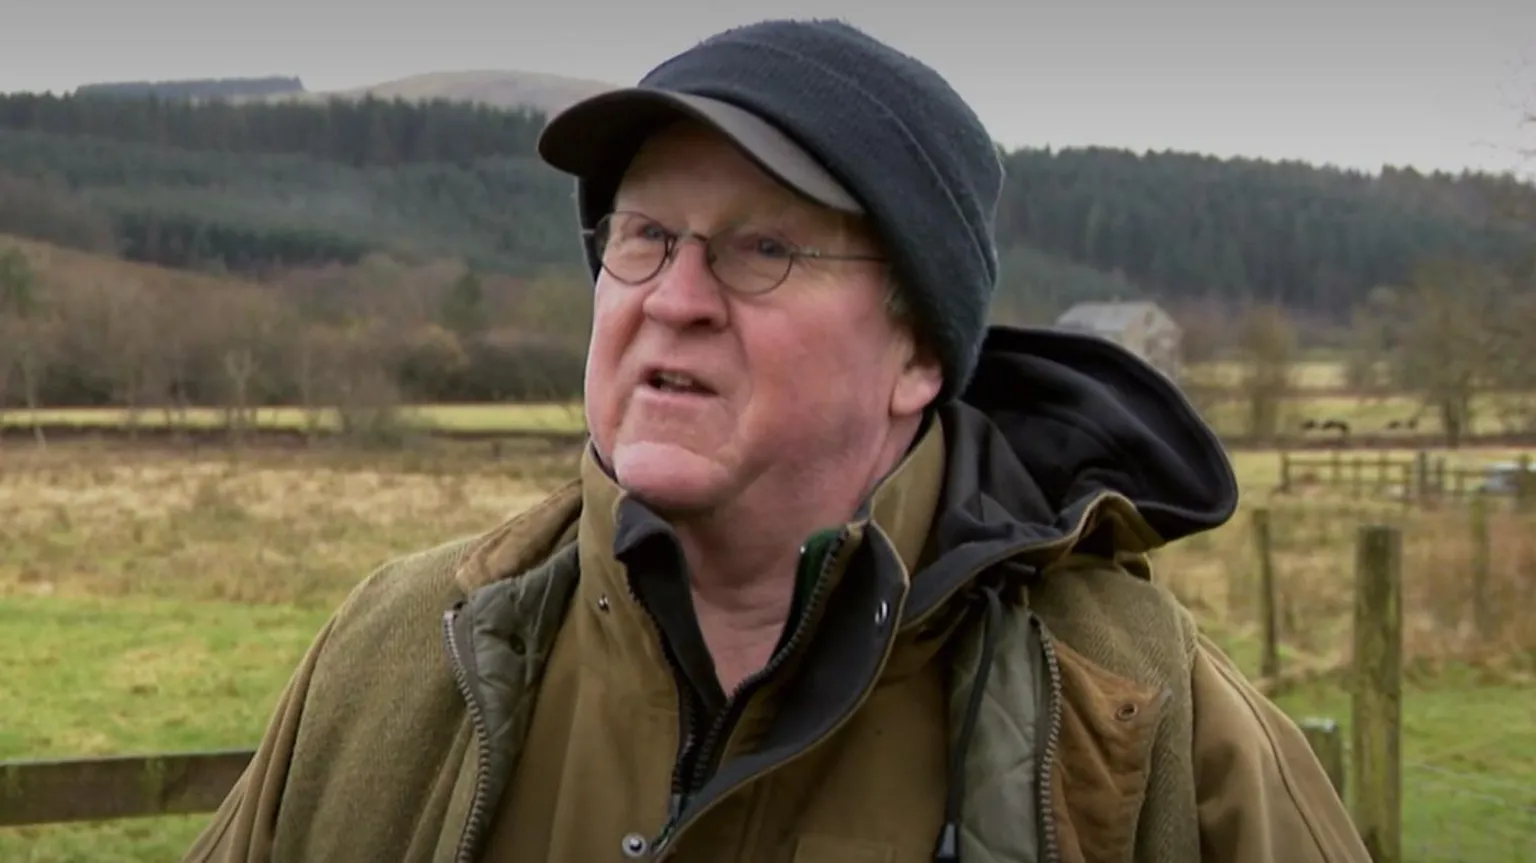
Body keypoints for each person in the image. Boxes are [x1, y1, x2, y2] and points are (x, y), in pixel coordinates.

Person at [184, 18, 1371, 863]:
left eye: (762, 249)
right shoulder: (406, 653)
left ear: (919, 350)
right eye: (644, 235)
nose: (673, 298)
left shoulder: (1136, 719)